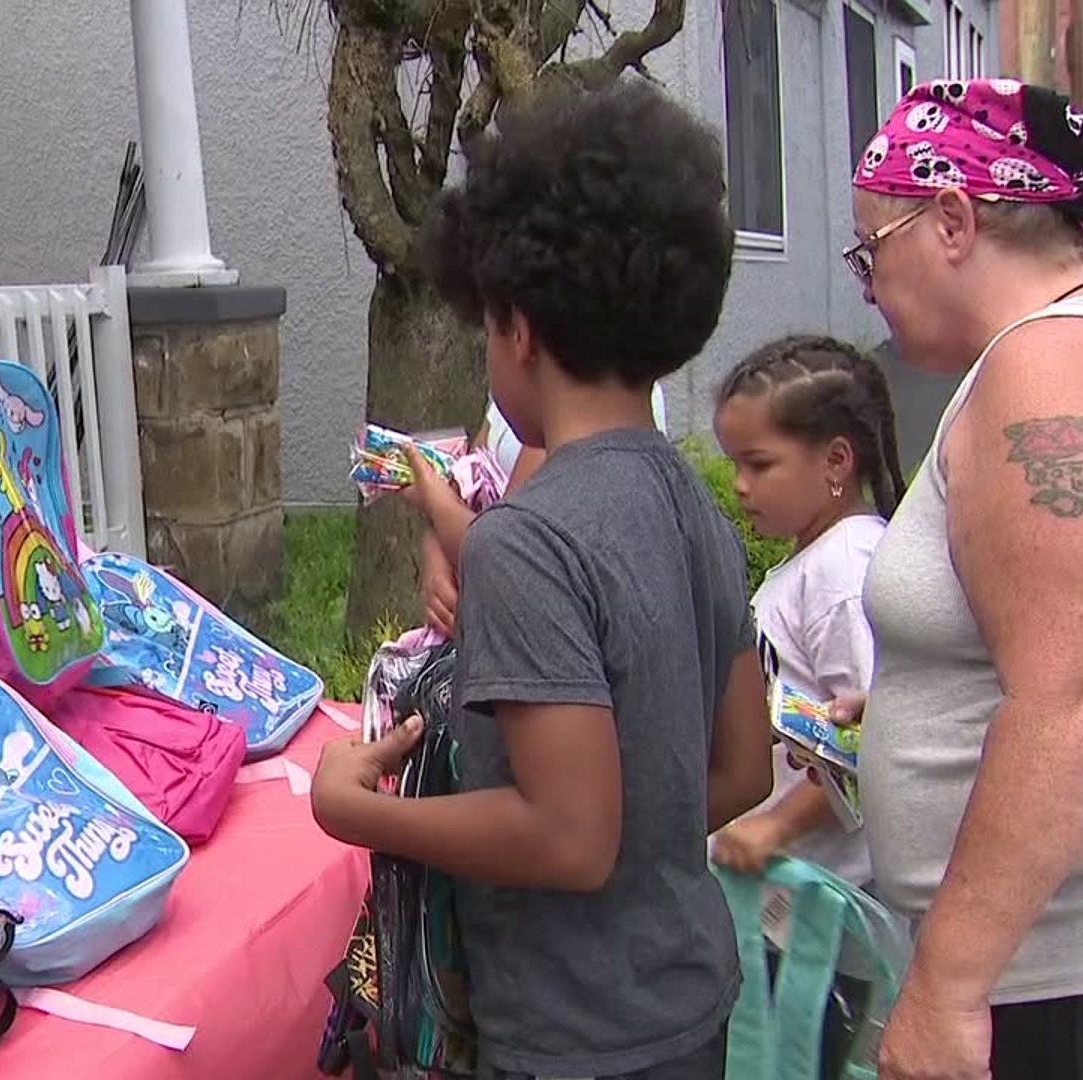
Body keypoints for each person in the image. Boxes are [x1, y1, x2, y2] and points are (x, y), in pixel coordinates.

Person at [311, 79, 773, 1080]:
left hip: (570, 1038)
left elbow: (568, 838)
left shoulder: (527, 539)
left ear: (516, 326)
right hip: (689, 999)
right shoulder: (695, 506)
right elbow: (743, 769)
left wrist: (359, 812)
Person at [848, 79, 1083, 1080]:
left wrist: (948, 988)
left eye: (869, 253)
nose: (867, 288)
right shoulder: (1073, 347)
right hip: (1082, 973)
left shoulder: (1056, 372)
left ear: (953, 219)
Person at [709, 335, 901, 888]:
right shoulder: (814, 560)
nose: (741, 487)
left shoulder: (845, 570)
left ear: (836, 459)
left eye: (760, 465)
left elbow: (871, 738)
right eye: (734, 465)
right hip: (786, 888)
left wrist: (773, 827)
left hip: (825, 904)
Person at [419, 389, 666, 637]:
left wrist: (433, 497)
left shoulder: (583, 405)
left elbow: (506, 549)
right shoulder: (513, 393)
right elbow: (468, 484)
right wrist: (436, 553)